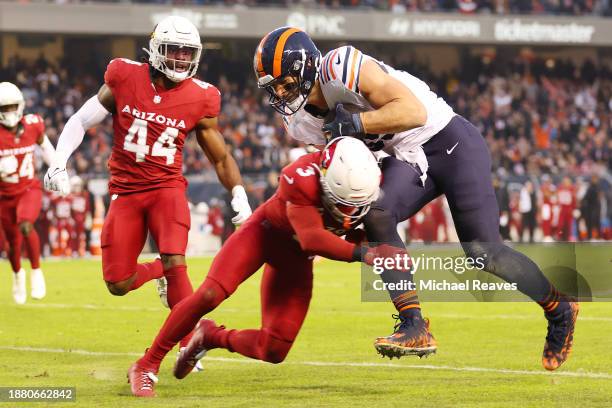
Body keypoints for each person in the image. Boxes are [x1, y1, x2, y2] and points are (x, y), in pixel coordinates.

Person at [253, 27, 578, 371]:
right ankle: (414, 325)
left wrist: (357, 122)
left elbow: (414, 112)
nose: (281, 93)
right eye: (274, 88)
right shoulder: (299, 122)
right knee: (376, 213)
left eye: (285, 83)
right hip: (406, 158)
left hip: (449, 142)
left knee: (485, 253)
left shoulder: (341, 67)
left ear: (305, 67)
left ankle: (560, 308)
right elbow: (348, 166)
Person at [126, 137, 407, 397]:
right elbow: (312, 239)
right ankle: (146, 364)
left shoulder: (369, 180)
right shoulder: (300, 176)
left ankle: (210, 336)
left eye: (354, 207)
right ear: (325, 176)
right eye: (341, 204)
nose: (348, 214)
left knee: (274, 349)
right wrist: (368, 254)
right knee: (210, 293)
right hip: (264, 234)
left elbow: (360, 229)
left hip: (295, 260)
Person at [44, 16, 252, 332]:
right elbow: (81, 120)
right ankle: (158, 272)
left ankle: (189, 345)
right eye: (174, 50)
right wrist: (58, 160)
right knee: (118, 282)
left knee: (175, 258)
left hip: (167, 188)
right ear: (156, 49)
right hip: (126, 191)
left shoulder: (201, 96)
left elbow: (220, 156)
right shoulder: (125, 76)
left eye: (187, 52)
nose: (181, 58)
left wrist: (239, 193)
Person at [0, 82, 55, 304]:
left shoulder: (33, 124)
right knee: (12, 243)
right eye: (5, 108)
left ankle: (36, 272)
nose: (10, 112)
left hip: (28, 188)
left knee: (26, 224)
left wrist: (56, 168)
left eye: (13, 106)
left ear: (21, 106)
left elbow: (46, 146)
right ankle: (17, 275)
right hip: (4, 195)